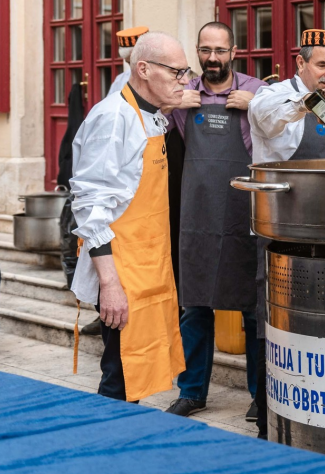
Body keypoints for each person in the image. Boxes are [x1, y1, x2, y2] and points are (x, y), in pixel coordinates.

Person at [70, 32, 190, 402]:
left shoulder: (152, 117)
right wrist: (110, 284)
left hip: (150, 267)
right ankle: (108, 451)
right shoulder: (113, 118)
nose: (185, 81)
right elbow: (90, 206)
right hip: (121, 271)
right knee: (120, 375)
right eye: (177, 72)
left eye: (186, 72)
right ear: (143, 69)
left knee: (139, 373)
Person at [247, 28, 325, 439]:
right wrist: (309, 104)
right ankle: (264, 406)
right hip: (280, 229)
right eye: (322, 65)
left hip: (324, 230)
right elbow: (271, 120)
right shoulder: (270, 97)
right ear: (300, 64)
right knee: (270, 315)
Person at [162, 22, 265, 421]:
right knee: (195, 307)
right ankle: (191, 392)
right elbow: (146, 124)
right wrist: (172, 106)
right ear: (198, 52)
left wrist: (254, 107)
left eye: (220, 50)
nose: (212, 58)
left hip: (245, 215)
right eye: (205, 50)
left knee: (252, 310)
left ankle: (260, 396)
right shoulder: (182, 94)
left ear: (234, 51)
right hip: (198, 216)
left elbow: (293, 122)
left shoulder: (258, 91)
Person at [108, 26, 149, 95]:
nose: (132, 67)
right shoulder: (120, 80)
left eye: (134, 62)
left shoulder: (160, 75)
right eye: (129, 62)